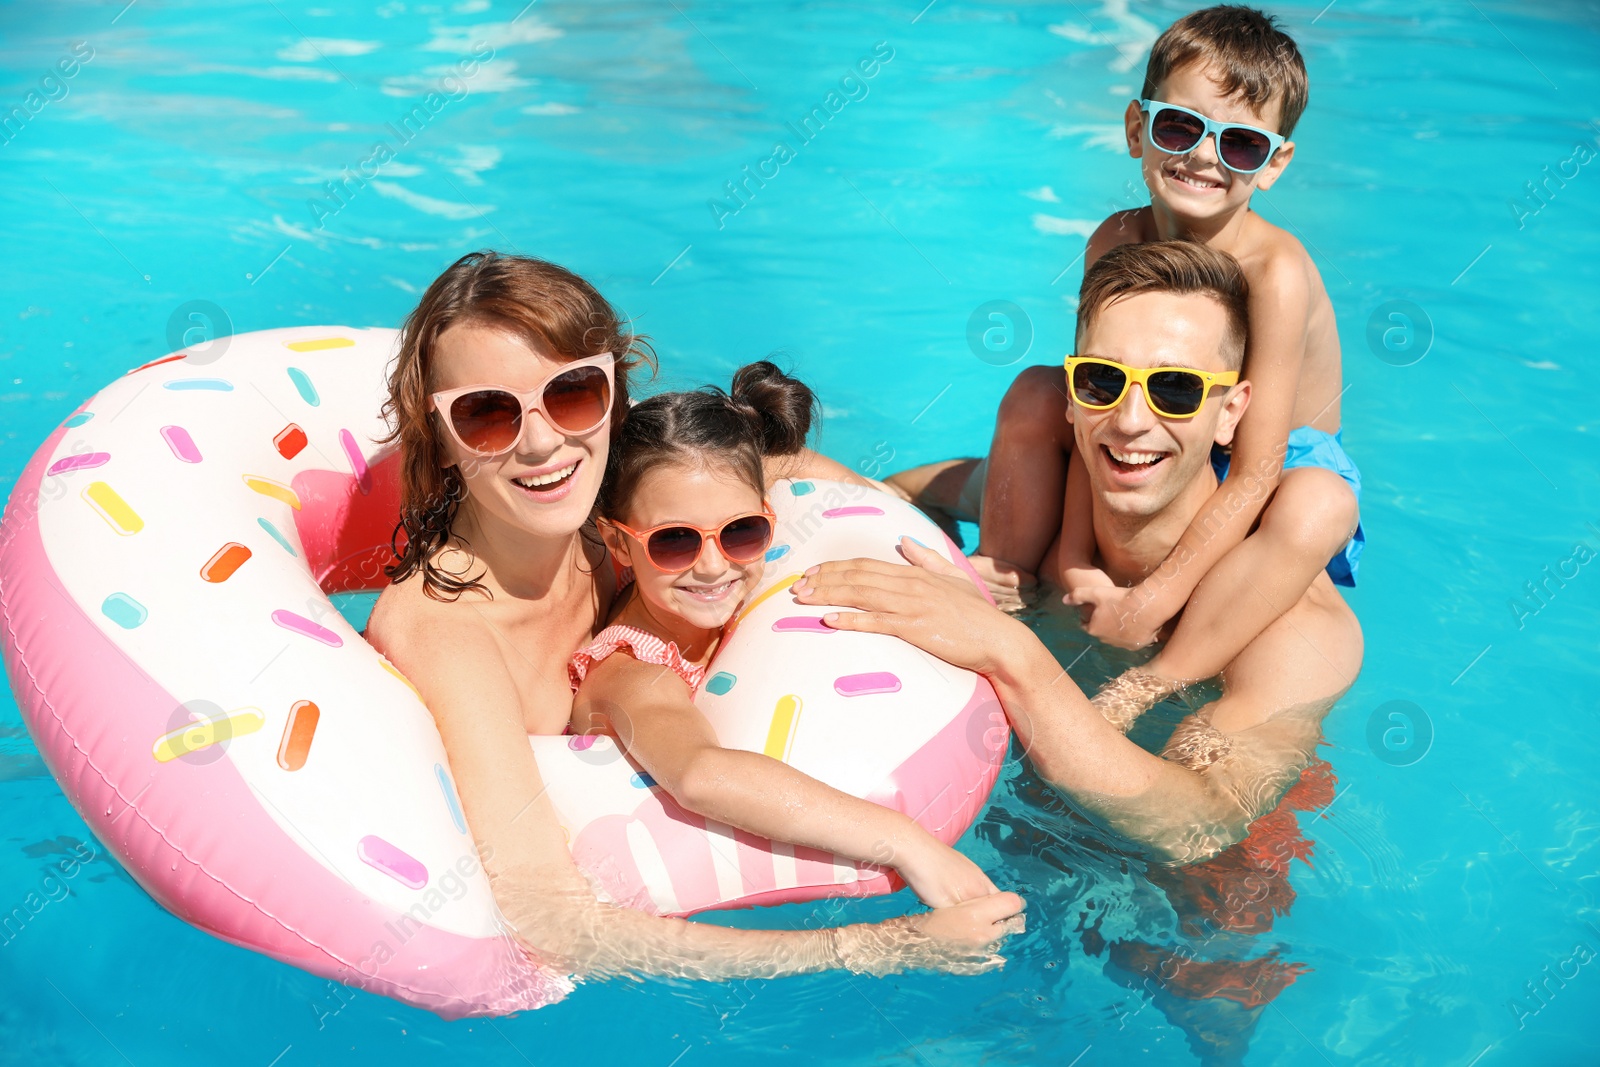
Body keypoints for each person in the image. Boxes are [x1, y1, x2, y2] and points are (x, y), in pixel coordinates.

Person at [364, 251, 1024, 983]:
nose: (543, 440)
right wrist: (872, 946)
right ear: (439, 436)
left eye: (574, 393)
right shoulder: (452, 635)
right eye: (486, 413)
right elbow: (550, 921)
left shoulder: (605, 513)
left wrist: (914, 538)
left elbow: (770, 463)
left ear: (613, 393)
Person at [795, 241, 1363, 864]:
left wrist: (1011, 652)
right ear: (1070, 395)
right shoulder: (1034, 522)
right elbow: (892, 495)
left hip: (1195, 889)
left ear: (1231, 413)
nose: (1130, 421)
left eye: (1175, 388)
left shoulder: (1290, 630)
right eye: (1102, 380)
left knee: (1220, 920)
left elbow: (1200, 824)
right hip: (1017, 842)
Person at [892, 5, 1361, 692]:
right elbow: (1095, 403)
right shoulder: (1114, 240)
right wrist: (1077, 561)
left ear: (1274, 163)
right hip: (1153, 407)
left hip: (1274, 447)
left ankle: (1158, 678)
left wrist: (1151, 602)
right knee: (1037, 392)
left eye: (1241, 145)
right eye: (1180, 126)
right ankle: (1007, 581)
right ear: (1138, 129)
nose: (1203, 156)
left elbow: (1257, 469)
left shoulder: (1275, 273)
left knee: (1315, 505)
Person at [567, 362, 1000, 909]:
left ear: (769, 517)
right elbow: (700, 775)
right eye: (673, 541)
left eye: (742, 532)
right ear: (619, 543)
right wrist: (908, 844)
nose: (711, 566)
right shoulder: (634, 673)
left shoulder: (719, 524)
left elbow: (797, 468)